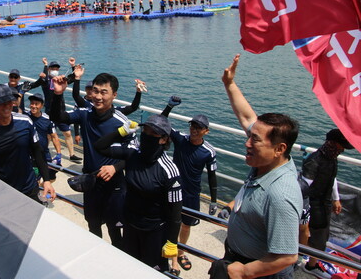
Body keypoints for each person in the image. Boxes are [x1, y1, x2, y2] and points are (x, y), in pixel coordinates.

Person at [211, 54, 302, 279]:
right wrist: (229, 84)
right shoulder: (268, 161)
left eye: (255, 140)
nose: (247, 142)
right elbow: (246, 115)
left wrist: (244, 271)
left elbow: (287, 256)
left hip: (258, 272)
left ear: (280, 149)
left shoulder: (282, 193)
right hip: (235, 257)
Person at [50, 72, 133, 248]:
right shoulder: (85, 113)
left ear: (114, 95)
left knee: (115, 230)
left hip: (114, 184)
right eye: (95, 91)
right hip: (90, 182)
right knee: (93, 227)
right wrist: (58, 94)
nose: (98, 96)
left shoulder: (122, 122)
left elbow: (135, 155)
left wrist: (115, 168)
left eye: (104, 92)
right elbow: (58, 117)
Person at [94, 114, 183, 274]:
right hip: (130, 225)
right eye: (145, 131)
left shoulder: (170, 171)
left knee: (150, 272)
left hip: (154, 232)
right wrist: (121, 132)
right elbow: (100, 146)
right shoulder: (133, 154)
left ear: (163, 139)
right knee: (130, 267)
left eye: (153, 133)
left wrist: (171, 241)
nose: (147, 136)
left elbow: (175, 213)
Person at [160, 101, 218, 273]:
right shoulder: (180, 139)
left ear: (206, 131)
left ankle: (181, 252)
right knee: (170, 223)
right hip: (172, 189)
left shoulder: (209, 151)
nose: (194, 129)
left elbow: (212, 176)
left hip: (192, 194)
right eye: (192, 125)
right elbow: (162, 122)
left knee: (186, 226)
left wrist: (214, 201)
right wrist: (169, 107)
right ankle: (170, 255)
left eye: (198, 127)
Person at [0, 84, 55, 203]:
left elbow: (38, 151)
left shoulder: (26, 122)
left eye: (9, 101)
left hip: (30, 187)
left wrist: (46, 180)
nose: (6, 106)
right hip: (2, 191)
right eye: (1, 102)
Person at [300, 129, 354, 279]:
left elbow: (332, 179)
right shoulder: (314, 160)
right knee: (305, 233)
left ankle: (311, 263)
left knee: (321, 235)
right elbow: (304, 186)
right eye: (341, 146)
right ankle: (302, 260)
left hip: (325, 202)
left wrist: (336, 199)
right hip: (311, 203)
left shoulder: (332, 158)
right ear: (332, 143)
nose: (342, 149)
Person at [25, 93, 63, 181]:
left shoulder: (47, 119)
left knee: (51, 178)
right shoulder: (25, 117)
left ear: (42, 105)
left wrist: (59, 154)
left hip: (44, 153)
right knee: (35, 178)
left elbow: (54, 137)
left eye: (36, 104)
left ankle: (41, 187)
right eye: (32, 103)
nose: (33, 106)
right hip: (29, 153)